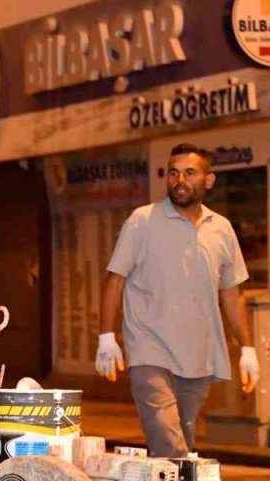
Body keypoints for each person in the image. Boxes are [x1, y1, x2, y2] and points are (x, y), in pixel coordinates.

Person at [96, 143, 259, 459]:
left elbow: (231, 292)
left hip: (199, 352)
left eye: (189, 173)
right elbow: (115, 279)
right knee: (168, 437)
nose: (179, 180)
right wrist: (106, 337)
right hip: (149, 349)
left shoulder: (221, 229)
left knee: (181, 436)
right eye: (173, 173)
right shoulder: (142, 221)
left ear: (208, 181)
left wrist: (248, 348)